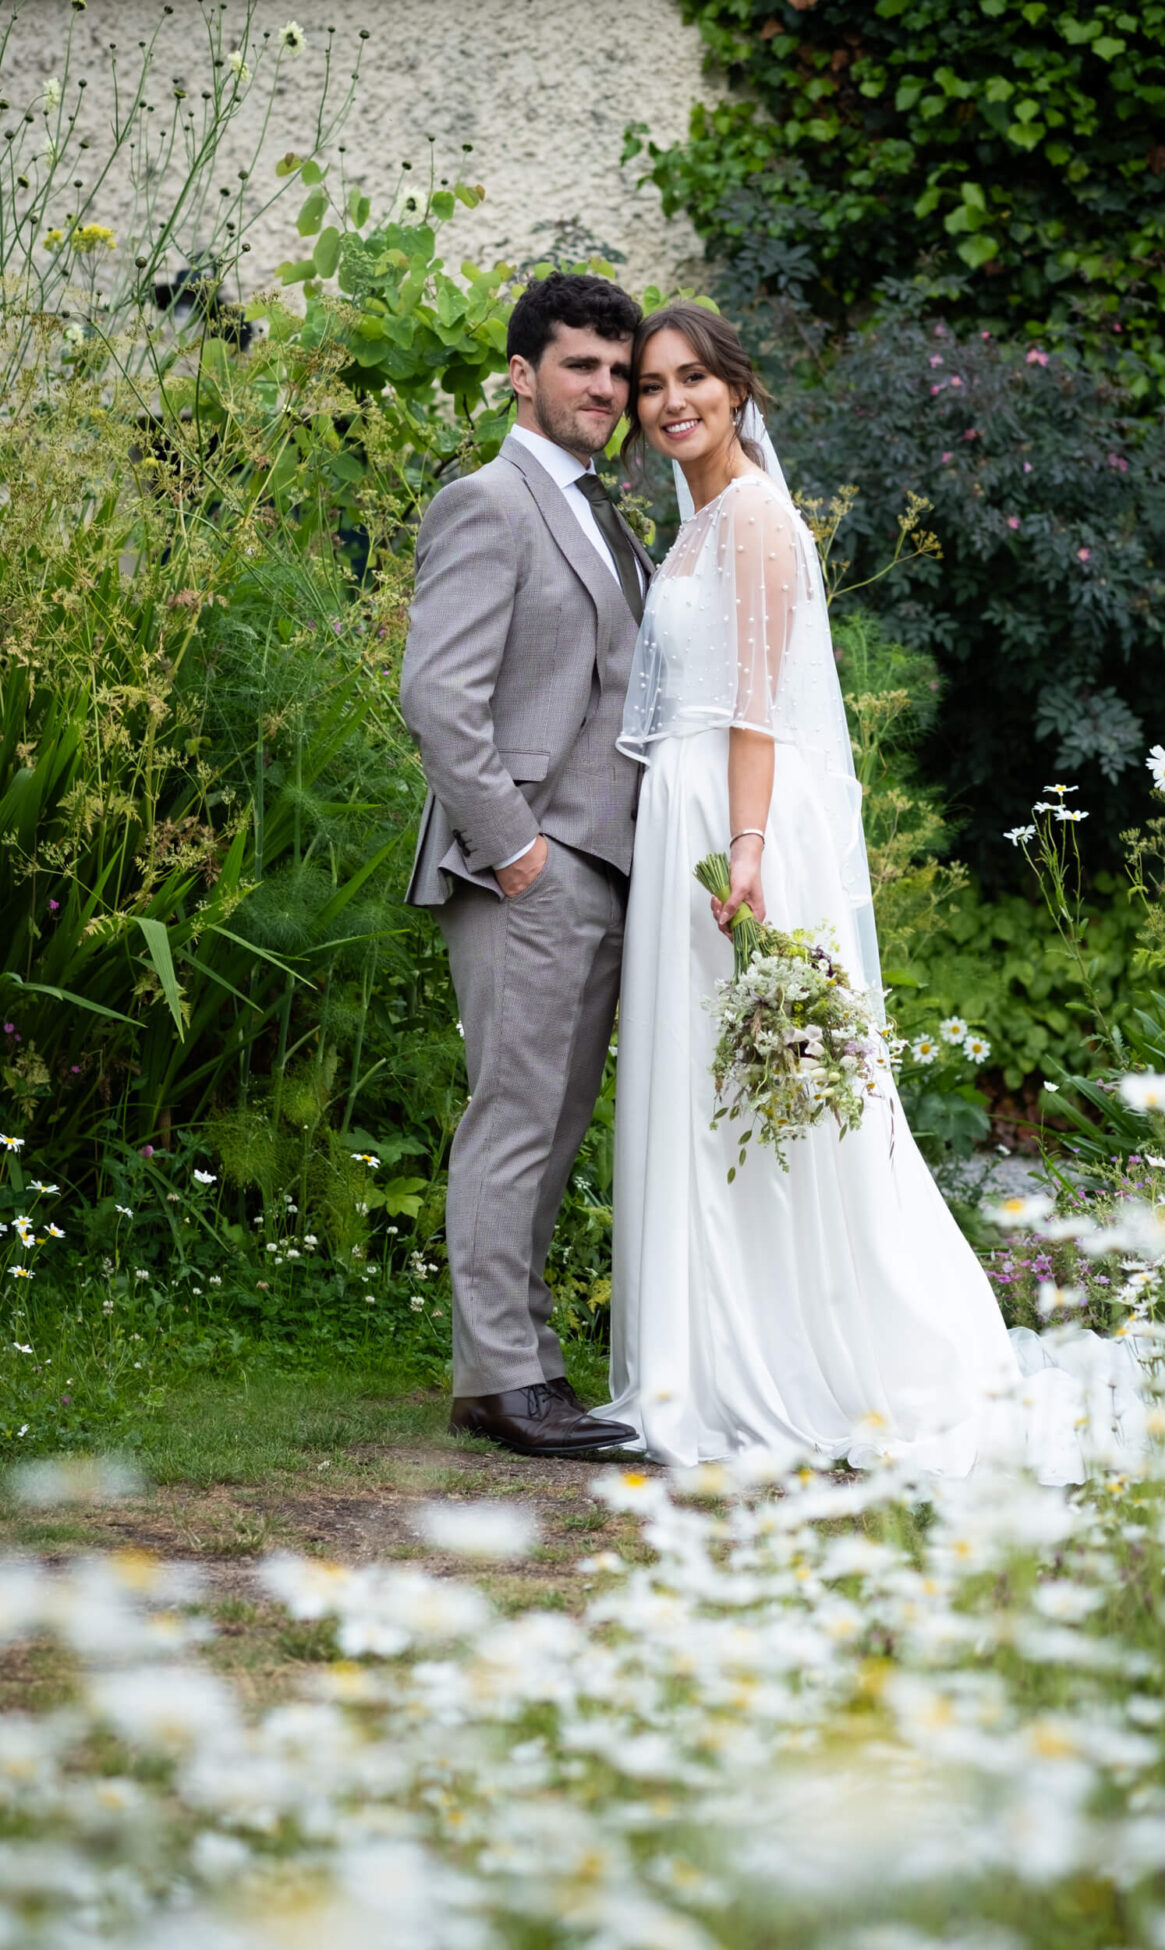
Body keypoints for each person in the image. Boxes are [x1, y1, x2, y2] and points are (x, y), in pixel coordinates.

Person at [601, 303, 1145, 1481]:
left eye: (693, 377)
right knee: (705, 1083)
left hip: (735, 821)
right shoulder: (695, 523)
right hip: (689, 806)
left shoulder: (752, 520)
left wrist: (743, 848)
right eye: (652, 385)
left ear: (738, 391)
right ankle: (701, 1352)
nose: (671, 400)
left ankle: (816, 1353)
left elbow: (756, 702)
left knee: (753, 1084)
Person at [400, 273, 652, 1458]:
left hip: (602, 868)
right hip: (527, 869)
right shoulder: (489, 502)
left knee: (551, 1127)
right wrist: (518, 856)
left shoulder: (608, 517)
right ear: (520, 374)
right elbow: (438, 697)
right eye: (579, 367)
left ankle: (522, 1368)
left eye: (616, 370)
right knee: (514, 1118)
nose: (604, 389)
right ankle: (503, 1378)